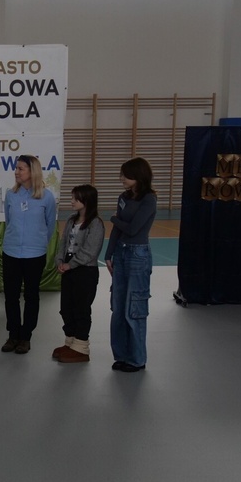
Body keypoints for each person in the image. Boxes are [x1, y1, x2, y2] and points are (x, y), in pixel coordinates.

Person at [1, 154, 57, 355]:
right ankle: (13, 334)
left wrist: (37, 243)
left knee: (31, 296)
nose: (16, 172)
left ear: (32, 171)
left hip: (35, 255)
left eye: (20, 168)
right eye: (16, 168)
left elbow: (50, 226)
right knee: (11, 296)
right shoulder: (11, 195)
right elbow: (9, 221)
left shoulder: (47, 197)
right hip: (11, 252)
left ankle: (26, 337)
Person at [105, 157, 157, 372]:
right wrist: (109, 253)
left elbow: (134, 229)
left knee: (134, 308)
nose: (122, 179)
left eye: (126, 175)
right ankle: (121, 355)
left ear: (138, 176)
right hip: (121, 252)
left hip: (138, 255)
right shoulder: (123, 197)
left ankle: (137, 359)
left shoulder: (149, 199)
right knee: (118, 308)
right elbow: (118, 230)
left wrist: (114, 219)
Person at [53, 184, 105, 363]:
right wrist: (60, 261)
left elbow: (90, 251)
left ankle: (81, 347)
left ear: (87, 200)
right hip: (69, 269)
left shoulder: (95, 223)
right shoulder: (71, 220)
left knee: (81, 309)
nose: (72, 201)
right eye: (72, 197)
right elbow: (63, 243)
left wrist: (71, 264)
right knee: (66, 308)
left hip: (85, 271)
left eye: (76, 198)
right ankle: (70, 342)